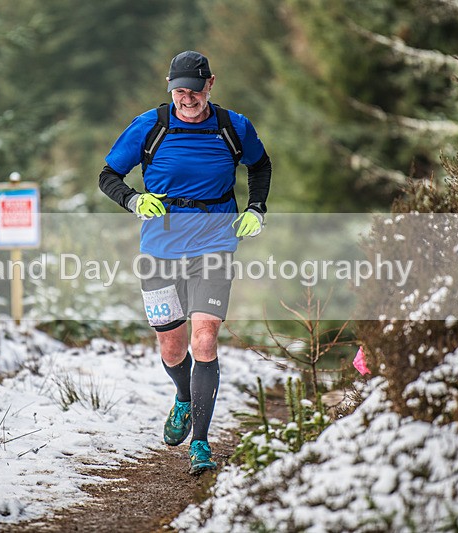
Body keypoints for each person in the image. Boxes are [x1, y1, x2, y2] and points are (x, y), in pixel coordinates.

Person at [99, 50, 271, 474]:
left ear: (210, 84)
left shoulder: (233, 126)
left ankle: (201, 443)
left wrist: (257, 208)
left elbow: (260, 165)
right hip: (159, 251)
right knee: (172, 347)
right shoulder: (150, 126)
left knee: (205, 340)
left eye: (194, 90)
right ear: (169, 87)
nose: (187, 98)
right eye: (179, 91)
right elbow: (108, 176)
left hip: (215, 244)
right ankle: (183, 396)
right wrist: (134, 200)